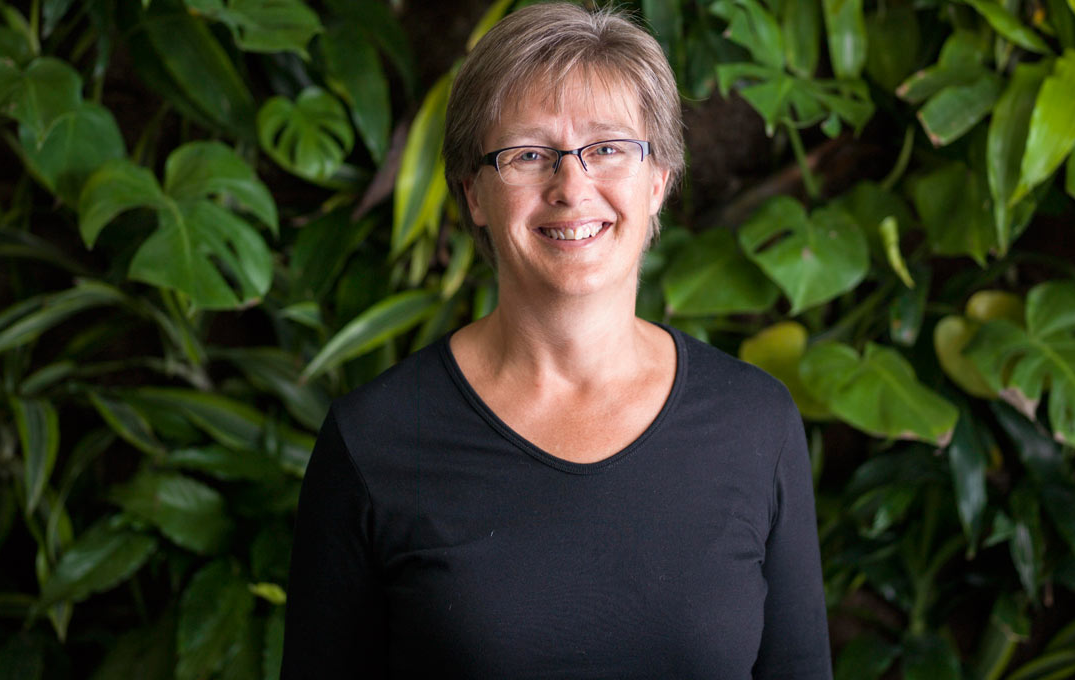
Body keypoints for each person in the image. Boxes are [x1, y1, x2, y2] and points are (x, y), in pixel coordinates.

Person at [281, 3, 831, 678]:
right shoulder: (375, 439)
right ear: (474, 194)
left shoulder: (756, 422)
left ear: (658, 180)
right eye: (529, 154)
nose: (572, 187)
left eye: (607, 148)